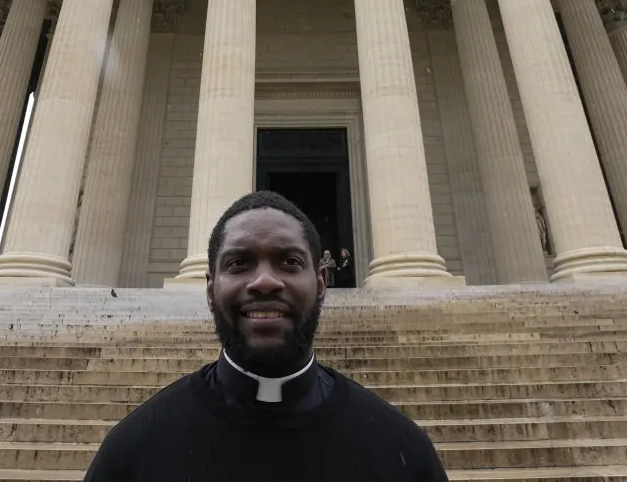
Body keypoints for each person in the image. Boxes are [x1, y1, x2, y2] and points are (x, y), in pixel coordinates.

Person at [84, 190, 447, 481]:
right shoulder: (133, 452)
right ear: (210, 288)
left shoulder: (403, 453)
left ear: (321, 283)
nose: (265, 281)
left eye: (289, 261)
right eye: (238, 263)